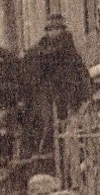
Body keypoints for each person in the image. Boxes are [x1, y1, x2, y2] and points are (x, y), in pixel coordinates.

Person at [21, 14, 93, 149]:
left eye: (56, 29)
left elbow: (80, 73)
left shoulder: (68, 50)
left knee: (55, 123)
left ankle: (50, 150)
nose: (53, 32)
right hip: (45, 94)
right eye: (49, 29)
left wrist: (84, 95)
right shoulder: (38, 50)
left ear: (62, 30)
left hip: (65, 94)